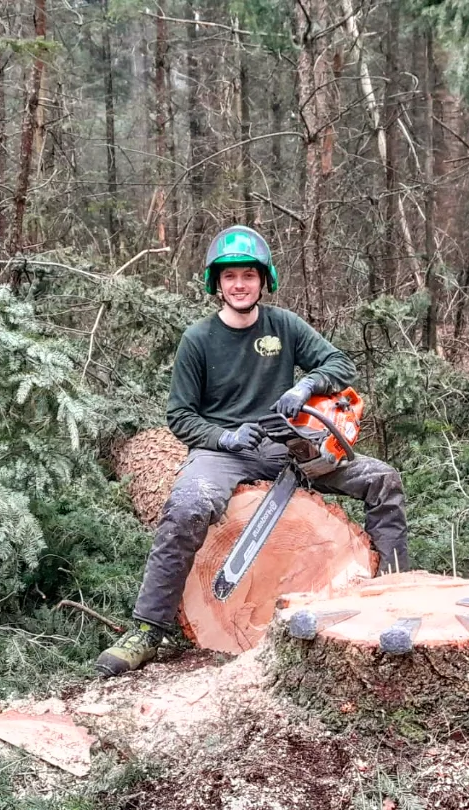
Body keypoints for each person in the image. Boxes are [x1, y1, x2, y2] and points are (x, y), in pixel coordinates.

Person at [95, 225, 412, 677]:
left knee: (382, 479)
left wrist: (306, 385)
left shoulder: (283, 325)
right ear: (216, 285)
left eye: (248, 275)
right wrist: (223, 438)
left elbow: (340, 363)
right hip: (223, 451)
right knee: (188, 505)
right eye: (229, 277)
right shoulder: (198, 340)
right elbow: (180, 417)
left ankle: (394, 593)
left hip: (289, 446)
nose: (239, 285)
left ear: (264, 280)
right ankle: (148, 628)